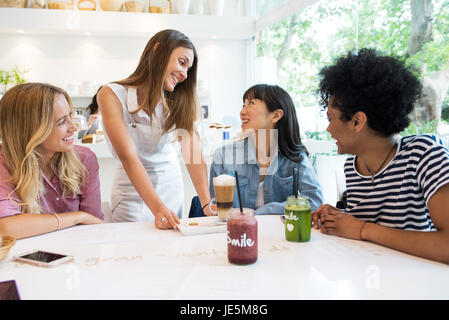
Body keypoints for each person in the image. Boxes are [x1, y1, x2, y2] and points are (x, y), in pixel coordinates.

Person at [313, 48, 449, 264]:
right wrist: (338, 217)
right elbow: (374, 226)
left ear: (358, 121)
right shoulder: (353, 167)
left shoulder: (425, 154)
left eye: (331, 119)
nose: (329, 130)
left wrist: (362, 229)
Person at [97, 29, 213, 228]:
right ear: (158, 50)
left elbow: (192, 151)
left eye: (189, 69)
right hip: (130, 194)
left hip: (171, 189)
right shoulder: (112, 94)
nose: (185, 74)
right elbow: (128, 156)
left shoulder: (178, 100)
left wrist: (206, 203)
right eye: (182, 62)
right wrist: (158, 208)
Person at [0, 83, 104, 239]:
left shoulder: (85, 159)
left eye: (71, 116)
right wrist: (77, 217)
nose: (74, 128)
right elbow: (7, 228)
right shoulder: (4, 161)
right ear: (31, 129)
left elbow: (94, 224)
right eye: (62, 122)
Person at [209, 84, 324, 215]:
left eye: (251, 103)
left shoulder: (295, 157)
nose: (242, 112)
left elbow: (315, 202)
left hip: (280, 234)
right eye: (243, 105)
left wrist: (262, 212)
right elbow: (216, 208)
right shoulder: (224, 156)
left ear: (275, 116)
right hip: (238, 232)